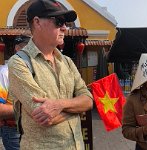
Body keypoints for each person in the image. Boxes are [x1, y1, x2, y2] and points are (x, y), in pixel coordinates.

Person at [8, 0, 93, 150]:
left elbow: (88, 101)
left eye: (65, 23)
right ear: (37, 22)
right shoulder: (19, 63)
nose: (65, 28)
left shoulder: (66, 61)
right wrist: (76, 110)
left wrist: (59, 105)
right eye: (59, 22)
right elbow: (45, 116)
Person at [0, 35, 30, 150]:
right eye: (28, 47)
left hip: (34, 128)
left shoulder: (33, 70)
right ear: (17, 48)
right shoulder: (5, 72)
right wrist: (31, 109)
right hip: (13, 129)